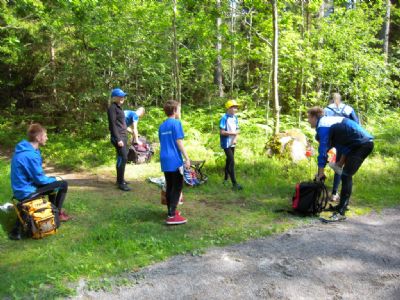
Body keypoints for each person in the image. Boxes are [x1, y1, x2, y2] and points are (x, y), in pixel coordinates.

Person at [307, 107, 374, 221]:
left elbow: (323, 152)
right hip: (356, 144)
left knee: (346, 175)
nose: (308, 121)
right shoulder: (329, 124)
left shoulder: (323, 126)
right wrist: (340, 163)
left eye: (308, 118)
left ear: (314, 117)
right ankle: (341, 206)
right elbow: (343, 145)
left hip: (362, 145)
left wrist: (320, 174)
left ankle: (341, 212)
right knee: (345, 174)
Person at [9, 123, 70, 240]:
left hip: (21, 189)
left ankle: (54, 214)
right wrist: (55, 179)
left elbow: (35, 176)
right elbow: (40, 180)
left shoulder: (25, 149)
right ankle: (57, 214)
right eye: (45, 135)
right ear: (38, 138)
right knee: (63, 184)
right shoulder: (30, 154)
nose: (47, 138)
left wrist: (51, 180)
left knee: (53, 185)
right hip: (26, 192)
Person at [159, 100, 190, 225]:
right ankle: (172, 216)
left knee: (170, 185)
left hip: (164, 158)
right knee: (177, 187)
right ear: (175, 110)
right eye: (179, 109)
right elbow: (179, 142)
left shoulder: (162, 126)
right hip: (174, 159)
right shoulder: (176, 123)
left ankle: (170, 212)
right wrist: (187, 158)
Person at [324, 93, 360, 201]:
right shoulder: (348, 109)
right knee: (342, 166)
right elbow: (356, 124)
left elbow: (323, 123)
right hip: (347, 139)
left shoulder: (327, 109)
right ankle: (336, 193)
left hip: (332, 138)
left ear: (331, 100)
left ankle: (321, 187)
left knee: (326, 162)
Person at [107, 88, 131, 191]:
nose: (122, 98)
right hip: (118, 137)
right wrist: (118, 139)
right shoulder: (112, 108)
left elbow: (121, 123)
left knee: (122, 158)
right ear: (114, 97)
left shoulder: (119, 108)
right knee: (123, 157)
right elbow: (112, 125)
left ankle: (120, 179)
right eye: (120, 96)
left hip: (123, 136)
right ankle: (121, 183)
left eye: (123, 96)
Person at [220, 100, 242, 190]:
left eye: (236, 107)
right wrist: (232, 134)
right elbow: (222, 132)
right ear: (229, 108)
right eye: (234, 107)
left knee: (228, 161)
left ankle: (225, 179)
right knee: (232, 162)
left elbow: (238, 129)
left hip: (233, 143)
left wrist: (235, 138)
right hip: (226, 143)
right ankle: (234, 184)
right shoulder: (224, 118)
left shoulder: (235, 118)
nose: (236, 109)